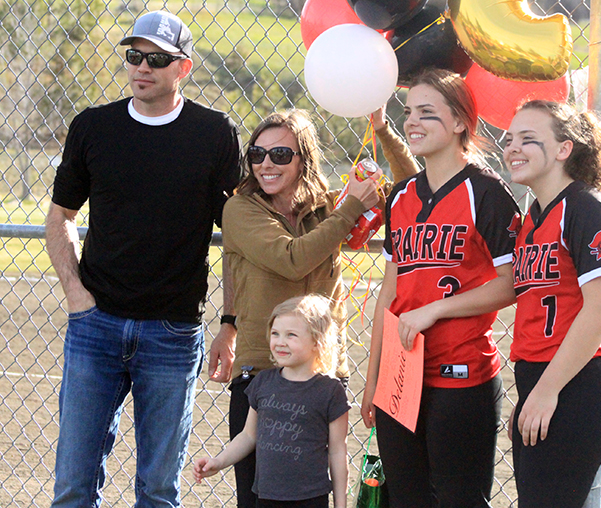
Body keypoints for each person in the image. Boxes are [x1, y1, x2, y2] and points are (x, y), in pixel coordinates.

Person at [45, 10, 242, 507]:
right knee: (72, 486)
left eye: (157, 59)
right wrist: (76, 295)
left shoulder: (214, 132)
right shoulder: (93, 127)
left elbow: (238, 238)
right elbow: (61, 215)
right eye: (134, 56)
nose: (142, 67)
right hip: (95, 325)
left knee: (158, 490)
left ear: (183, 67)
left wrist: (230, 324)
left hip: (173, 332)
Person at [212, 107, 419, 507]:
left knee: (313, 495)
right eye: (257, 154)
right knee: (258, 497)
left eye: (280, 155)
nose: (266, 164)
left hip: (322, 375)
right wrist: (350, 209)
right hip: (264, 373)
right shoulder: (241, 209)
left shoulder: (327, 206)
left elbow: (414, 188)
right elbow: (292, 259)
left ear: (303, 160)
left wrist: (381, 129)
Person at [360, 67, 522, 507]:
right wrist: (374, 378)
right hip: (401, 375)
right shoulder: (401, 197)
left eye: (427, 112)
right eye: (408, 111)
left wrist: (435, 309)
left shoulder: (486, 192)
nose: (412, 121)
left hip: (461, 373)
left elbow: (511, 284)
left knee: (459, 500)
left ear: (459, 123)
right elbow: (389, 295)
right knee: (407, 499)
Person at [504, 100, 601, 508]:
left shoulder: (585, 208)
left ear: (563, 149)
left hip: (577, 385)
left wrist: (546, 390)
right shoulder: (534, 217)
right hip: (544, 381)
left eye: (528, 138)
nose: (513, 147)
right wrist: (533, 392)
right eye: (510, 138)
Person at [194, 294, 350, 508]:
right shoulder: (263, 382)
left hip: (311, 499)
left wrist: (341, 504)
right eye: (275, 333)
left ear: (317, 341)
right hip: (267, 497)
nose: (280, 342)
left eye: (291, 335)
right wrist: (218, 462)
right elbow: (248, 436)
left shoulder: (330, 391)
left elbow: (337, 451)